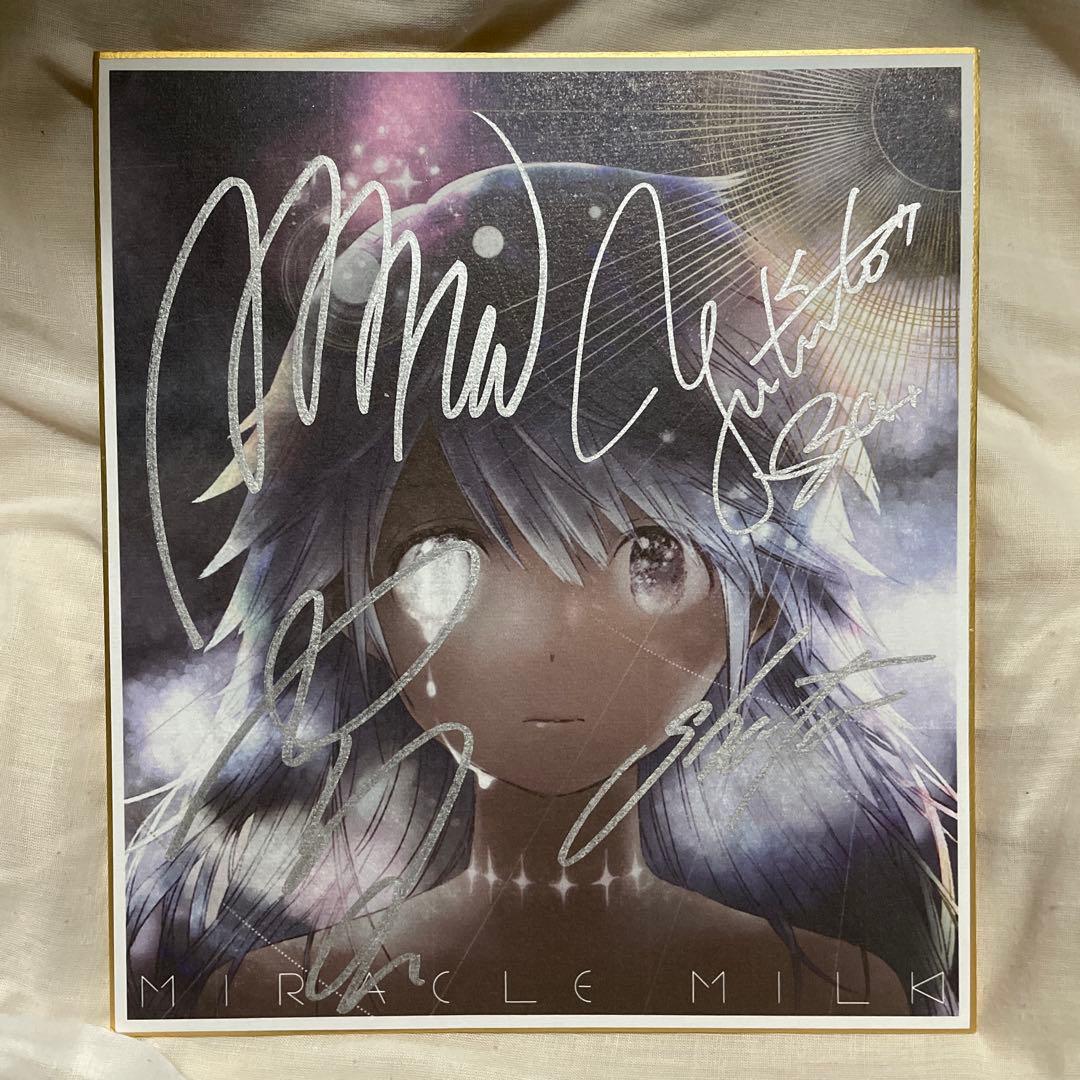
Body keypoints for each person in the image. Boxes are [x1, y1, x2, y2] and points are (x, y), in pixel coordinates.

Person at [126, 159, 957, 1020]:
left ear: (763, 602)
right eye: (441, 563)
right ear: (343, 599)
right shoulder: (272, 996)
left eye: (651, 560)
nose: (551, 638)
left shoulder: (836, 996)